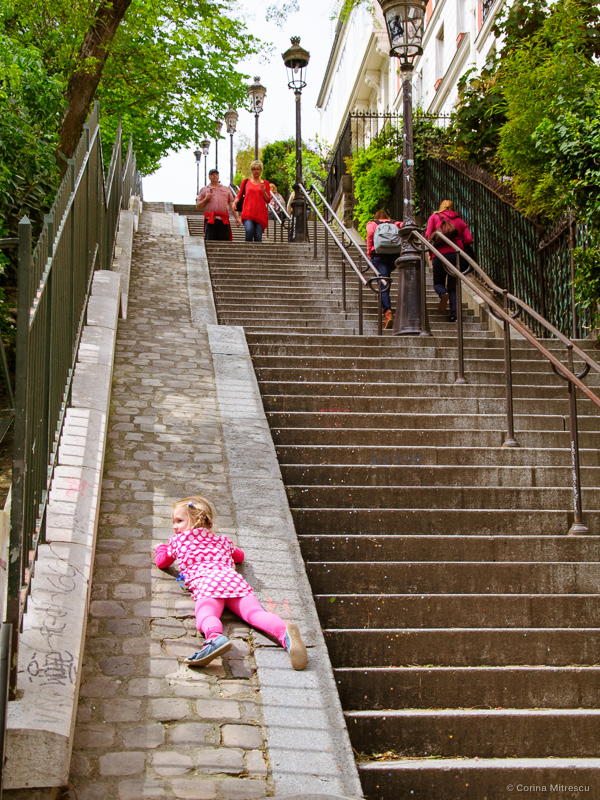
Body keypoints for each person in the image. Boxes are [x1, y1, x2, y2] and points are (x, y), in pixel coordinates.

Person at [155, 495, 308, 670]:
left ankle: (213, 637)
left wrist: (161, 548)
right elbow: (240, 556)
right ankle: (284, 633)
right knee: (255, 613)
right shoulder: (221, 540)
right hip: (234, 582)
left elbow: (162, 562)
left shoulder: (177, 541)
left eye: (179, 521)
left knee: (207, 614)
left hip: (207, 584)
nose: (174, 526)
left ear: (196, 520)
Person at [425, 199, 473, 323]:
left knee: (438, 283)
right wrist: (458, 243)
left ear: (441, 207)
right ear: (453, 208)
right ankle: (454, 316)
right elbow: (469, 239)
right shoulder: (460, 221)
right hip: (457, 255)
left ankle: (443, 294)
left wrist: (431, 253)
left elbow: (427, 237)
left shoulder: (434, 217)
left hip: (440, 255)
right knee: (454, 287)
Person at [366, 210, 403, 330]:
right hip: (394, 256)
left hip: (379, 256)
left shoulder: (372, 224)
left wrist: (369, 253)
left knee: (382, 284)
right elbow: (405, 228)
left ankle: (388, 313)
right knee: (385, 280)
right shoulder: (395, 223)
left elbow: (370, 234)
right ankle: (386, 309)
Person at [196, 169, 241, 241]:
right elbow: (198, 206)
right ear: (209, 176)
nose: (214, 176)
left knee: (224, 241)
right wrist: (206, 199)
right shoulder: (204, 190)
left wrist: (237, 218)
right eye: (212, 174)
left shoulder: (226, 189)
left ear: (218, 176)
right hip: (210, 219)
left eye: (216, 174)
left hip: (223, 219)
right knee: (210, 241)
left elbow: (232, 204)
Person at [233, 160, 271, 242]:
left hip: (260, 213)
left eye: (258, 169)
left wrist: (264, 191)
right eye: (254, 169)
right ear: (251, 170)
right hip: (248, 212)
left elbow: (268, 200)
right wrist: (234, 202)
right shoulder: (246, 182)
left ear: (261, 170)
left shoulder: (265, 183)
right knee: (249, 230)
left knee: (258, 235)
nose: (256, 171)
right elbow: (239, 194)